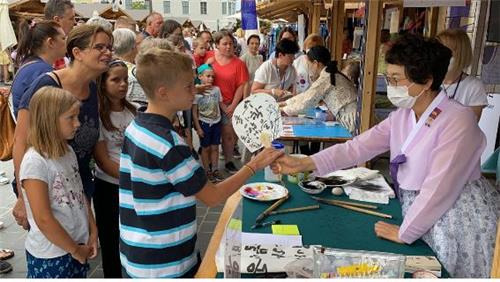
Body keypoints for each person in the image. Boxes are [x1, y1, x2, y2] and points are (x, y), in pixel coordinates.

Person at [272, 33, 499, 278]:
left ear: (426, 80)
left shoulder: (458, 119)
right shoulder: (403, 115)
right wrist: (304, 162)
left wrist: (405, 232)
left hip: (455, 216)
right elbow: (358, 147)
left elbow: (440, 186)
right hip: (419, 209)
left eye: (396, 79)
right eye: (388, 78)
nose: (390, 86)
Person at [119, 48, 282, 278]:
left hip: (138, 252)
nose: (194, 92)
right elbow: (212, 196)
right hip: (165, 262)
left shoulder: (137, 126)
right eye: (188, 86)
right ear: (163, 92)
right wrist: (254, 165)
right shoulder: (169, 144)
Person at [13, 24, 112, 230]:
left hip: (79, 184)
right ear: (78, 53)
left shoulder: (92, 88)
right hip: (49, 187)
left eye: (109, 47)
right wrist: (23, 198)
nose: (108, 52)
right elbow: (21, 141)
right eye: (100, 47)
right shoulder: (46, 85)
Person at [19, 86, 98, 278]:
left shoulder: (68, 152)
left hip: (76, 246)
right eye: (71, 118)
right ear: (49, 120)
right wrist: (75, 250)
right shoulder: (34, 162)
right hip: (51, 255)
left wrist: (92, 230)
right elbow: (43, 218)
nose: (77, 123)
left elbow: (79, 194)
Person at [93, 60, 136, 278]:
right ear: (102, 83)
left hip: (133, 186)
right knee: (111, 244)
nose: (122, 85)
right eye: (115, 80)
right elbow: (102, 160)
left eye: (125, 80)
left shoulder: (133, 111)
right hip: (110, 188)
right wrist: (133, 178)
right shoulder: (99, 116)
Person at [281, 46, 358, 133]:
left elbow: (306, 102)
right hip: (353, 116)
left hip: (351, 118)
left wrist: (283, 109)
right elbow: (306, 95)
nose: (308, 68)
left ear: (316, 63)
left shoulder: (326, 78)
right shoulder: (330, 74)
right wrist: (285, 103)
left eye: (309, 65)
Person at [206, 30, 249, 174]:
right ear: (217, 45)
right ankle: (211, 165)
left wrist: (233, 105)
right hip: (212, 104)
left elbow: (241, 86)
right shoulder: (210, 61)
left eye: (231, 43)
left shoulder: (239, 63)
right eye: (224, 44)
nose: (228, 47)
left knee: (229, 135)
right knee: (211, 136)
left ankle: (229, 161)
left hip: (230, 103)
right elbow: (202, 79)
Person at [11, 20, 66, 117]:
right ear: (51, 42)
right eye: (63, 38)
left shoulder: (31, 65)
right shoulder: (43, 72)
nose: (66, 42)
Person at [436, 28, 488, 121]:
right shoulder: (427, 81)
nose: (438, 55)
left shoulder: (474, 86)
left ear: (460, 54)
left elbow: (470, 125)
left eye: (445, 51)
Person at [193, 64, 224, 183]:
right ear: (200, 76)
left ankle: (215, 169)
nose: (211, 79)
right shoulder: (197, 92)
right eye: (208, 76)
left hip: (216, 122)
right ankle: (207, 171)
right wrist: (198, 127)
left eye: (212, 77)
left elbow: (220, 104)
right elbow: (194, 112)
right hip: (204, 123)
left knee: (215, 147)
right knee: (205, 149)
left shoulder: (217, 90)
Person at [44, 0, 76, 70]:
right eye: (71, 18)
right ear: (57, 20)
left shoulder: (58, 52)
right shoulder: (46, 54)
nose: (75, 22)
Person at [240, 34, 263, 99]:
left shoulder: (260, 57)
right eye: (252, 43)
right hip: (246, 93)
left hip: (257, 92)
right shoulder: (243, 59)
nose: (254, 46)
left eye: (257, 43)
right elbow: (242, 82)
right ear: (248, 45)